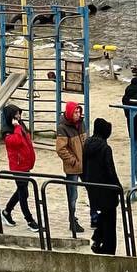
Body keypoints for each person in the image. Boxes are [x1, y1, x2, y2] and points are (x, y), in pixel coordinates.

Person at [82, 118, 122, 255]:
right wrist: (118, 187)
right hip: (107, 190)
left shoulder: (87, 144)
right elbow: (110, 170)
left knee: (101, 217)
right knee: (109, 221)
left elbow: (83, 167)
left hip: (93, 188)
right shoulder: (105, 148)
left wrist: (87, 182)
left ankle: (98, 240)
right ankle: (108, 248)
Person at [0, 103, 38, 230]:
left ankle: (6, 211)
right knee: (23, 193)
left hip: (25, 164)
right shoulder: (7, 131)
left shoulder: (20, 125)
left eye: (19, 113)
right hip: (17, 166)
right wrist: (16, 128)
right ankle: (29, 220)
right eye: (16, 114)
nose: (19, 116)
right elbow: (16, 142)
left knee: (22, 191)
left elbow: (26, 140)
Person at [54, 100, 89, 236]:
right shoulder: (63, 128)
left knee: (92, 189)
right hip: (73, 167)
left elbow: (86, 141)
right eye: (75, 112)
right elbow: (61, 149)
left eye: (79, 111)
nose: (78, 114)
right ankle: (72, 220)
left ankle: (94, 217)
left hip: (84, 164)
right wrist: (73, 161)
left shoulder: (81, 124)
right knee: (73, 196)